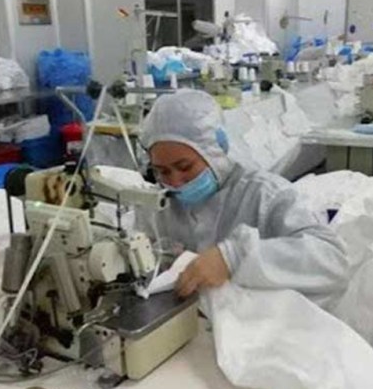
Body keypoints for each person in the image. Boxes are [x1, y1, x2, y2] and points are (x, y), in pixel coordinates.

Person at [138, 89, 349, 310]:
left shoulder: (265, 196)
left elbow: (332, 260)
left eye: (185, 167)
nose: (175, 181)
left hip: (260, 320)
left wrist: (235, 258)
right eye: (162, 171)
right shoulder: (158, 204)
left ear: (216, 150)